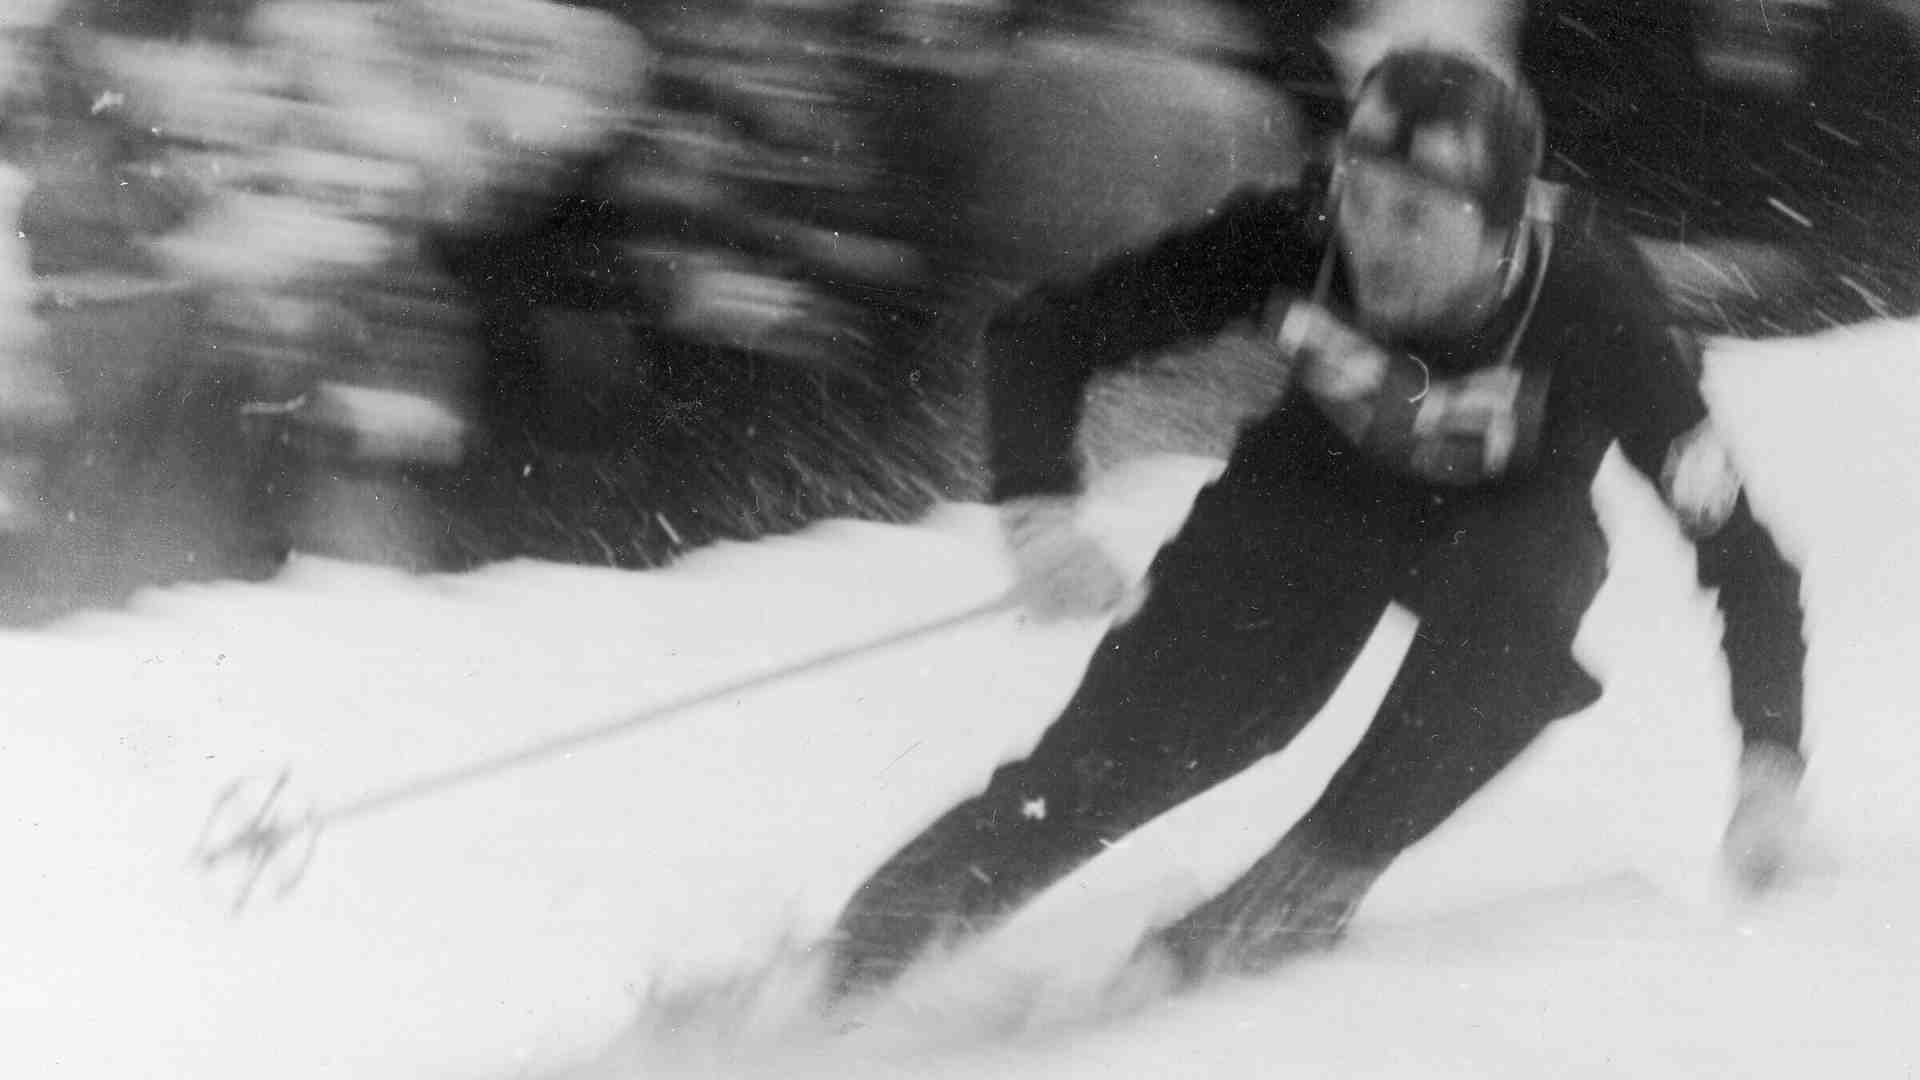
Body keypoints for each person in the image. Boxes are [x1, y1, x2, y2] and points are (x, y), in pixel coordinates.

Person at [820, 46, 1809, 1000]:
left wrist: (1770, 758)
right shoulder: (1295, 232)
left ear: (1503, 233)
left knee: (1525, 604)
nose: (1375, 240)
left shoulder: (1598, 311)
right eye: (1362, 198)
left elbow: (1741, 553)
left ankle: (1313, 875)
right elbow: (1047, 334)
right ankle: (849, 963)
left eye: (1418, 214)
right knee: (1119, 762)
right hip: (1310, 502)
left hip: (1502, 527)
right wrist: (1039, 513)